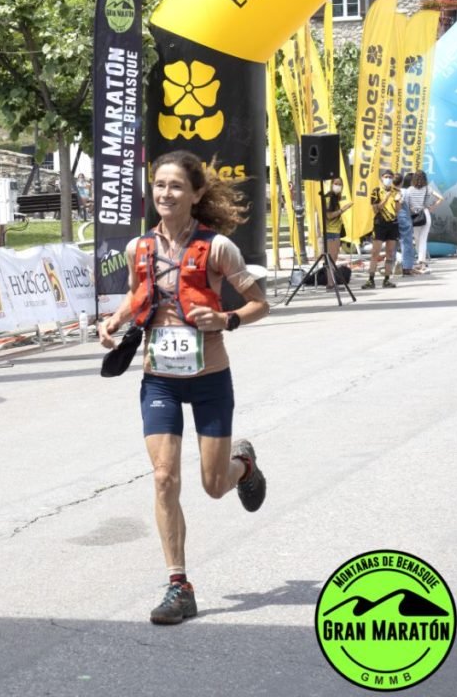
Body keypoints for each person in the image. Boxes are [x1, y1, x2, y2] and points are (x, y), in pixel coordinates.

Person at [97, 150, 270, 626]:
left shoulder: (218, 248)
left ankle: (243, 465)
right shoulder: (139, 248)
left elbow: (260, 303)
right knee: (163, 477)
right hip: (160, 380)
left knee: (213, 486)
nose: (165, 193)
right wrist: (115, 319)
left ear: (196, 194)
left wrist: (227, 318)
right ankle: (179, 585)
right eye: (159, 184)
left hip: (210, 378)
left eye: (176, 186)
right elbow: (139, 293)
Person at [362, 170, 401, 289]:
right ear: (381, 178)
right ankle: (371, 280)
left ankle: (387, 279)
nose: (388, 179)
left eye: (390, 177)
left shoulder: (396, 192)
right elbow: (376, 209)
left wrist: (397, 201)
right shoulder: (376, 191)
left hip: (393, 224)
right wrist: (386, 197)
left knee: (390, 252)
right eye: (386, 177)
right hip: (380, 224)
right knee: (375, 252)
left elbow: (397, 210)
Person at [406, 170, 444, 273]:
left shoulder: (409, 190)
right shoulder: (428, 188)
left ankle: (420, 261)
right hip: (425, 214)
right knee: (423, 239)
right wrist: (433, 207)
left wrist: (412, 208)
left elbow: (407, 203)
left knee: (417, 239)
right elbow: (441, 198)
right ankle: (421, 261)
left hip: (414, 216)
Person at [323, 177, 351, 288]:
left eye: (340, 184)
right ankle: (330, 282)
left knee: (334, 257)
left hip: (336, 231)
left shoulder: (335, 198)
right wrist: (343, 209)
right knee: (331, 258)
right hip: (330, 231)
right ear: (331, 184)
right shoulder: (329, 198)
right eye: (336, 183)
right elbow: (329, 216)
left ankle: (332, 281)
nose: (338, 186)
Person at [396, 173, 416, 276]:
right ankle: (407, 267)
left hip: (391, 219)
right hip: (404, 218)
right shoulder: (407, 192)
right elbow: (413, 208)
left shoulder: (390, 191)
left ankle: (392, 265)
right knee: (406, 243)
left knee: (392, 244)